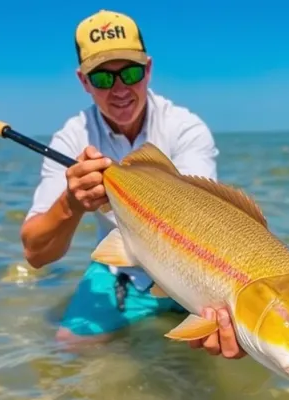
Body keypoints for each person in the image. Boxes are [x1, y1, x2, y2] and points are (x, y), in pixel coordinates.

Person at [20, 9, 246, 359]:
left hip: (187, 272)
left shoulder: (185, 128)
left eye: (131, 72)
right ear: (83, 81)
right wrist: (72, 202)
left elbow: (201, 220)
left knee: (232, 347)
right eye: (103, 79)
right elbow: (35, 254)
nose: (121, 89)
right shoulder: (71, 137)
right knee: (68, 348)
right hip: (119, 270)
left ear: (149, 69)